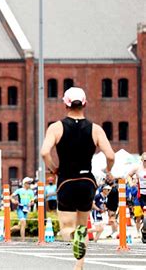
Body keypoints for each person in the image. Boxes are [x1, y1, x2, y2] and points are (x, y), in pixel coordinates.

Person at [41, 87, 115, 269]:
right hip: (87, 182)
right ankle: (79, 265)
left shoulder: (56, 127)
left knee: (67, 228)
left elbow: (44, 152)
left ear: (65, 104)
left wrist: (54, 169)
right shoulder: (95, 129)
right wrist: (108, 169)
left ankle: (75, 238)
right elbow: (111, 155)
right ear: (85, 104)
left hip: (66, 180)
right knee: (83, 225)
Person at [127, 152, 146, 243]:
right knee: (138, 216)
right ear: (142, 160)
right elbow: (128, 175)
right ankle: (138, 232)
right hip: (140, 195)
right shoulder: (137, 168)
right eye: (145, 160)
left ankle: (144, 229)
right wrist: (131, 183)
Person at [104, 173, 119, 239]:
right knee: (112, 219)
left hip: (112, 207)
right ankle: (114, 231)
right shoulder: (113, 189)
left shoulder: (113, 190)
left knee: (113, 220)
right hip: (111, 206)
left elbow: (109, 197)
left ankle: (115, 232)